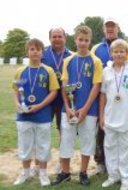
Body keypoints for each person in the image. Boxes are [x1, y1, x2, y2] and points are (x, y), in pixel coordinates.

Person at [51, 25, 102, 186]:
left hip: (89, 110)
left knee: (87, 141)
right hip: (70, 110)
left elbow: (96, 86)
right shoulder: (68, 60)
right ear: (75, 39)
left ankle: (83, 172)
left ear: (90, 41)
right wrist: (66, 106)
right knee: (66, 140)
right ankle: (65, 173)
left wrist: (85, 108)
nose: (83, 43)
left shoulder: (96, 61)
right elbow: (64, 84)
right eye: (80, 39)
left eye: (86, 40)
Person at [13, 38, 59, 186]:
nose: (35, 52)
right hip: (24, 116)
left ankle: (43, 173)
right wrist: (17, 104)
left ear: (42, 52)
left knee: (43, 145)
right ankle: (25, 172)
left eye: (38, 49)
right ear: (27, 52)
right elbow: (15, 91)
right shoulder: (21, 71)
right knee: (25, 144)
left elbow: (53, 92)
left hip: (43, 115)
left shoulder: (48, 70)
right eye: (32, 49)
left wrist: (39, 106)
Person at [100, 39, 128, 190]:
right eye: (116, 51)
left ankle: (126, 177)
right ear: (111, 53)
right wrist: (101, 116)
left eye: (122, 51)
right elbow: (103, 95)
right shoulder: (106, 71)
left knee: (126, 148)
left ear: (127, 53)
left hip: (127, 118)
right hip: (110, 117)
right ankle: (113, 175)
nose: (119, 54)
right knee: (110, 147)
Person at [91, 18, 128, 174]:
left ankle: (121, 163)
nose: (110, 29)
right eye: (107, 27)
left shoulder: (127, 46)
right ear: (103, 29)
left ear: (118, 28)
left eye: (112, 27)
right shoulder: (96, 48)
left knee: (122, 130)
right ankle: (101, 161)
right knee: (102, 129)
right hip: (102, 95)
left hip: (121, 97)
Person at [41, 27, 72, 174]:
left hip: (64, 100)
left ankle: (61, 162)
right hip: (46, 99)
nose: (57, 39)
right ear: (49, 38)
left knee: (63, 132)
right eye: (54, 36)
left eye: (60, 36)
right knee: (42, 131)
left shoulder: (71, 55)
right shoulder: (43, 54)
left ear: (65, 38)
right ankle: (39, 164)